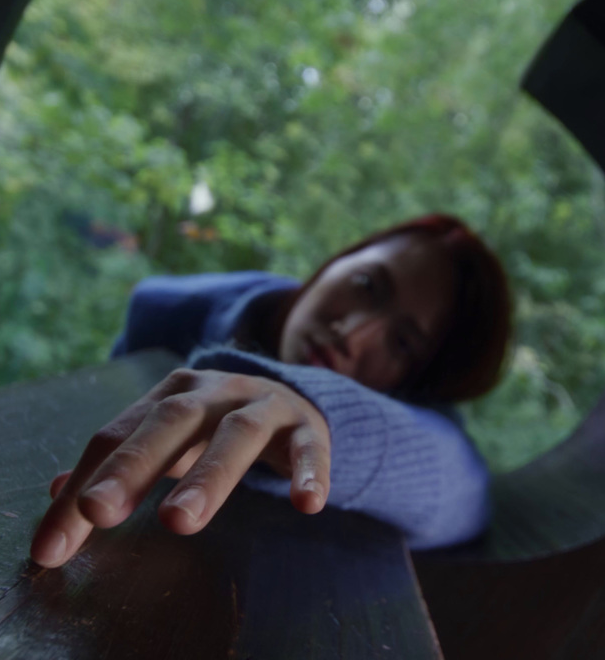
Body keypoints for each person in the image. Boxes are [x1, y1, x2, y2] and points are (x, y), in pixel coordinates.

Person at [29, 214, 511, 567]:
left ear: (414, 381)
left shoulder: (418, 412)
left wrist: (318, 414)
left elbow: (464, 489)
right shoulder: (171, 314)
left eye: (402, 342)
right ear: (335, 262)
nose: (354, 332)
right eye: (367, 284)